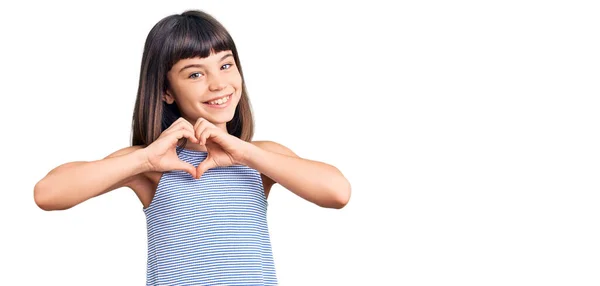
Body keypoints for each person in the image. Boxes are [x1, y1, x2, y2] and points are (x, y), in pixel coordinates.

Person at [33, 9, 351, 285]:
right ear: (165, 91)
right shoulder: (152, 165)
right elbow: (48, 194)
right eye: (196, 73)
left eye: (225, 65)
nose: (218, 84)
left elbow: (337, 192)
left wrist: (246, 153)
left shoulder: (259, 159)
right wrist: (144, 159)